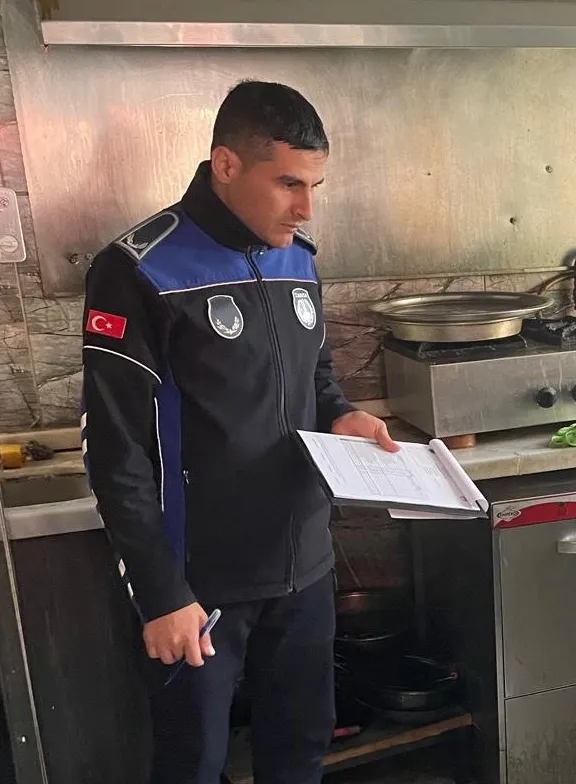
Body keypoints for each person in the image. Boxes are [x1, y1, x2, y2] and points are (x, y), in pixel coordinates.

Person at [80, 80, 397, 784]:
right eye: (288, 184)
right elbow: (115, 451)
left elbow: (317, 377)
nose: (306, 207)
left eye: (314, 186)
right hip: (200, 584)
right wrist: (161, 593)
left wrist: (341, 413)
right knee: (195, 763)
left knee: (301, 749)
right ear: (226, 165)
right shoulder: (139, 270)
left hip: (304, 566)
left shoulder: (298, 258)